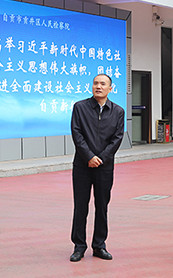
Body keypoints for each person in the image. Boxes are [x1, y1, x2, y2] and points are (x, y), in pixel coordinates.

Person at [69, 74, 125, 262]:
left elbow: (117, 138)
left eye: (103, 84)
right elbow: (76, 134)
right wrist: (89, 157)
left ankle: (99, 245)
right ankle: (79, 246)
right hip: (82, 165)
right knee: (80, 206)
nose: (98, 86)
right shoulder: (80, 108)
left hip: (104, 166)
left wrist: (101, 158)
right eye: (95, 83)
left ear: (111, 88)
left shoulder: (118, 111)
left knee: (102, 206)